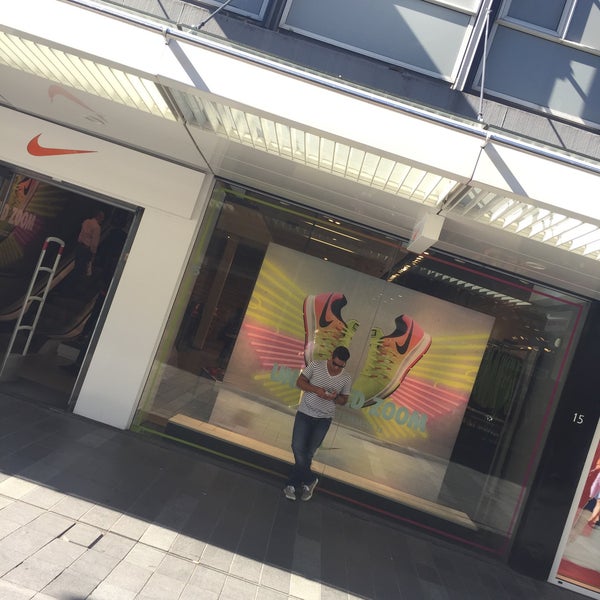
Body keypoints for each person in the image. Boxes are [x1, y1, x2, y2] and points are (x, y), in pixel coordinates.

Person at [284, 345, 352, 502]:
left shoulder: (346, 378)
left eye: (341, 366)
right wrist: (316, 390)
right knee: (297, 447)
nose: (336, 368)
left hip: (324, 419)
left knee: (308, 453)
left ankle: (292, 485)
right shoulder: (316, 365)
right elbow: (300, 382)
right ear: (331, 356)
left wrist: (335, 397)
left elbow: (344, 400)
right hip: (305, 413)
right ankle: (310, 479)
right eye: (334, 364)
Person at [73, 209, 104, 281]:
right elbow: (94, 243)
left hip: (79, 246)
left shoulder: (86, 221)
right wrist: (93, 254)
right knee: (83, 269)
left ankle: (73, 281)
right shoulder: (97, 227)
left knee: (76, 267)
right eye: (102, 217)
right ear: (98, 216)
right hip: (86, 249)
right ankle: (79, 282)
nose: (102, 220)